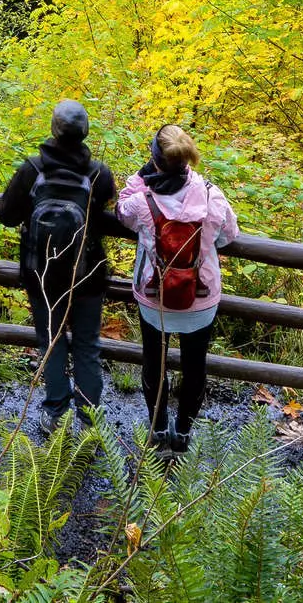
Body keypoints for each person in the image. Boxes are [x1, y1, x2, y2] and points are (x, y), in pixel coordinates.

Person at [117, 124, 239, 454]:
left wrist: (139, 181)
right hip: (200, 298)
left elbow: (121, 210)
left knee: (154, 363)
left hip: (154, 298)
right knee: (195, 366)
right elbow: (229, 234)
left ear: (155, 160)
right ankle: (183, 435)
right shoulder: (212, 195)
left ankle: (157, 433)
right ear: (186, 160)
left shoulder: (142, 202)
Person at [0, 99, 122, 427]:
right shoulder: (99, 173)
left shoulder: (32, 169)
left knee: (51, 343)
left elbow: (6, 214)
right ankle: (90, 420)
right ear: (85, 133)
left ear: (54, 128)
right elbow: (105, 208)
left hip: (41, 274)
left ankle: (55, 413)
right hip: (88, 273)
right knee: (86, 346)